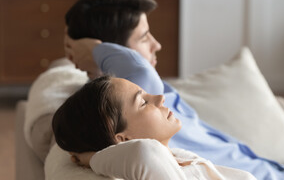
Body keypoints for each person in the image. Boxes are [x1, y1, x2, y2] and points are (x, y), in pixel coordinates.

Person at [63, 0, 284, 180]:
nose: (156, 44)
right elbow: (137, 68)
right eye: (143, 38)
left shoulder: (129, 103)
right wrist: (95, 50)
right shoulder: (133, 86)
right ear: (119, 53)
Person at [52, 75, 257, 180]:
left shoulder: (179, 158)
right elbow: (144, 153)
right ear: (121, 140)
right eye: (142, 102)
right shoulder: (155, 169)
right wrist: (92, 158)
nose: (160, 98)